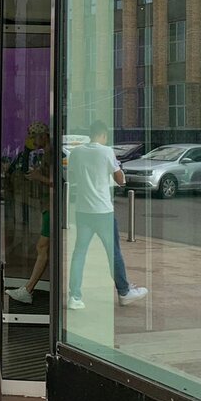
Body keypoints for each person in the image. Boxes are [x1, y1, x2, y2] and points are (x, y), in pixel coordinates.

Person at [65, 120, 148, 309]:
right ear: (103, 135)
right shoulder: (106, 152)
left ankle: (75, 297)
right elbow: (120, 180)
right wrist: (117, 171)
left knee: (79, 253)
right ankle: (124, 292)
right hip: (103, 211)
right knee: (113, 253)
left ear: (90, 134)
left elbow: (72, 176)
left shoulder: (76, 152)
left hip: (83, 211)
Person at [6, 122, 53, 304]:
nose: (33, 141)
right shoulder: (46, 153)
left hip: (51, 206)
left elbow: (56, 180)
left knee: (42, 247)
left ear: (44, 136)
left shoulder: (51, 153)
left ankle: (27, 290)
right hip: (47, 206)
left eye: (34, 137)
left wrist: (38, 176)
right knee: (44, 247)